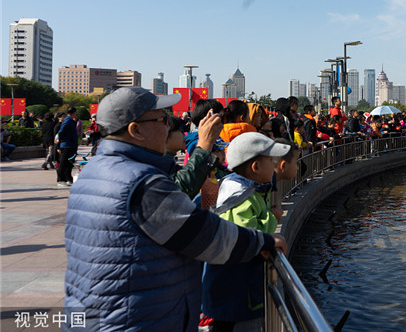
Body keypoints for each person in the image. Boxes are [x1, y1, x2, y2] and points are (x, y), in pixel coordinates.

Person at [64, 87, 286, 332]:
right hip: (137, 319)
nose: (169, 125)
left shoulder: (92, 172)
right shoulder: (142, 182)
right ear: (135, 130)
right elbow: (205, 236)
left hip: (100, 314)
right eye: (162, 120)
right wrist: (262, 242)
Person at [201, 133, 290, 332]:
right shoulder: (241, 196)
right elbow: (247, 235)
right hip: (234, 288)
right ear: (255, 168)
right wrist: (272, 219)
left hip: (237, 286)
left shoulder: (248, 188)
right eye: (271, 160)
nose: (275, 165)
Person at [165, 115, 225, 199]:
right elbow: (182, 189)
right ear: (165, 133)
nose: (184, 134)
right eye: (179, 130)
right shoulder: (160, 165)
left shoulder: (166, 162)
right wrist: (205, 144)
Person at [56, 107, 79, 186]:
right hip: (66, 145)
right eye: (75, 112)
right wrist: (59, 139)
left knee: (69, 163)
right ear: (73, 112)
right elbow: (61, 131)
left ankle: (68, 178)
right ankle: (61, 179)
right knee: (64, 163)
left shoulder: (71, 121)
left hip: (71, 145)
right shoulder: (67, 121)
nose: (76, 114)